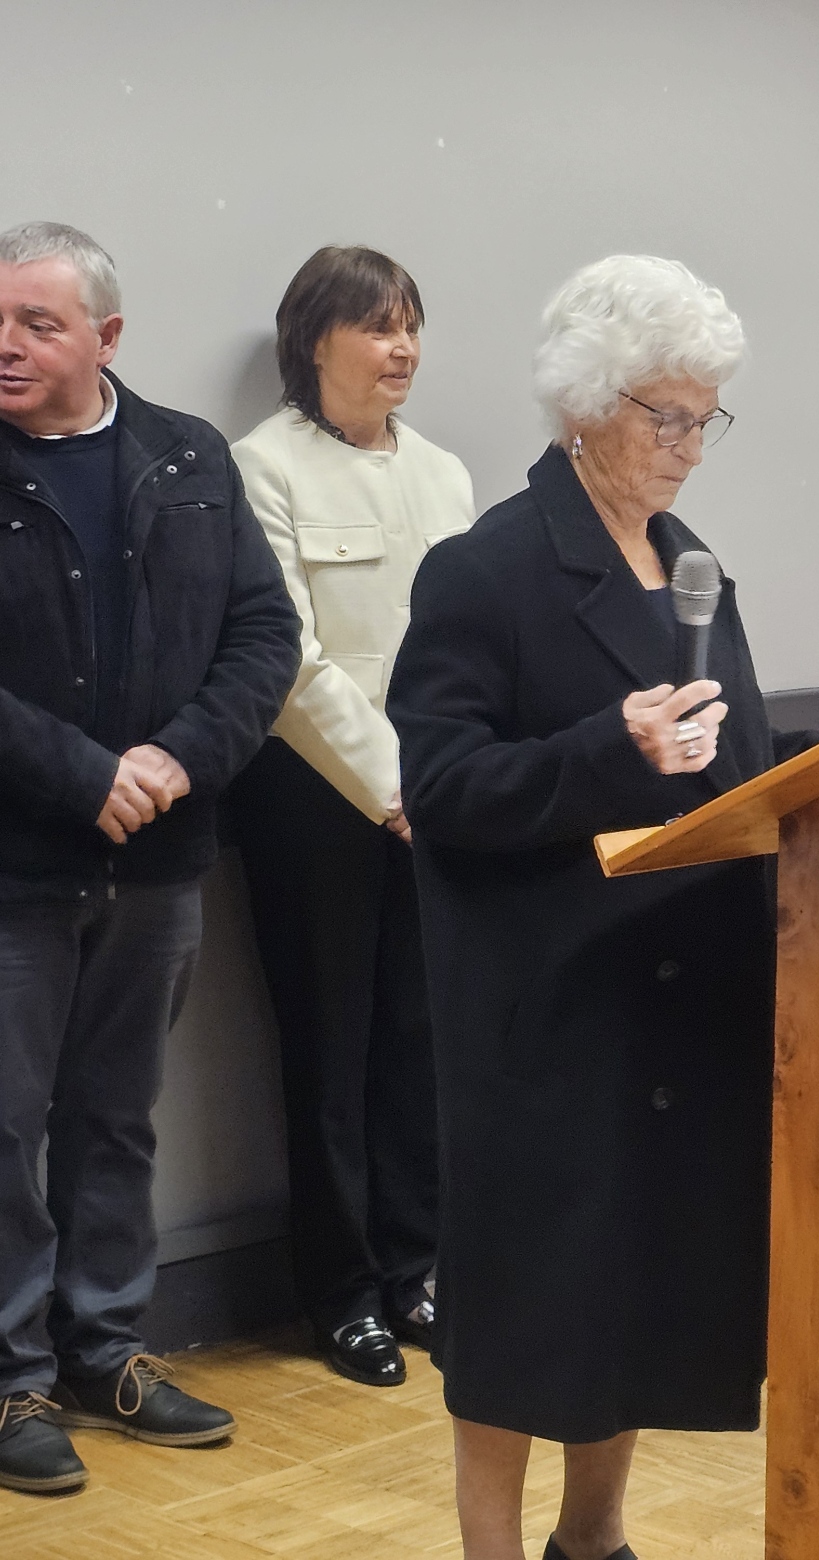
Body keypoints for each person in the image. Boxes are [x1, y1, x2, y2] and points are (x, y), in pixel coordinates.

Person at [389, 255, 798, 1560]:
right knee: (527, 1309)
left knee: (632, 1289)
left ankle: (595, 1538)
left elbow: (741, 762)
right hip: (543, 1001)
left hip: (678, 993)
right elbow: (442, 784)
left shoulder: (690, 569)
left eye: (701, 417)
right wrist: (603, 757)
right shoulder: (486, 570)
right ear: (582, 405)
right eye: (660, 416)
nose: (685, 447)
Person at [0, 222, 300, 1494]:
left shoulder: (189, 456)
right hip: (16, 863)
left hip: (160, 860)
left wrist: (175, 759)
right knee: (3, 1129)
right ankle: (9, 1383)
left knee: (118, 1121)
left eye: (37, 324)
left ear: (107, 339)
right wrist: (87, 775)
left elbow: (263, 635)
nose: (5, 345)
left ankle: (104, 1348)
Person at [227, 247, 476, 1388]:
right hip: (318, 803)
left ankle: (415, 1268)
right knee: (329, 1050)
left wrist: (447, 782)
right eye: (378, 326)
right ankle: (342, 1296)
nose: (403, 348)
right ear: (313, 340)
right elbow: (290, 661)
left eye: (411, 325)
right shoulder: (260, 469)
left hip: (434, 799)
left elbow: (465, 647)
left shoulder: (445, 474)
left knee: (420, 1046)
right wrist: (393, 786)